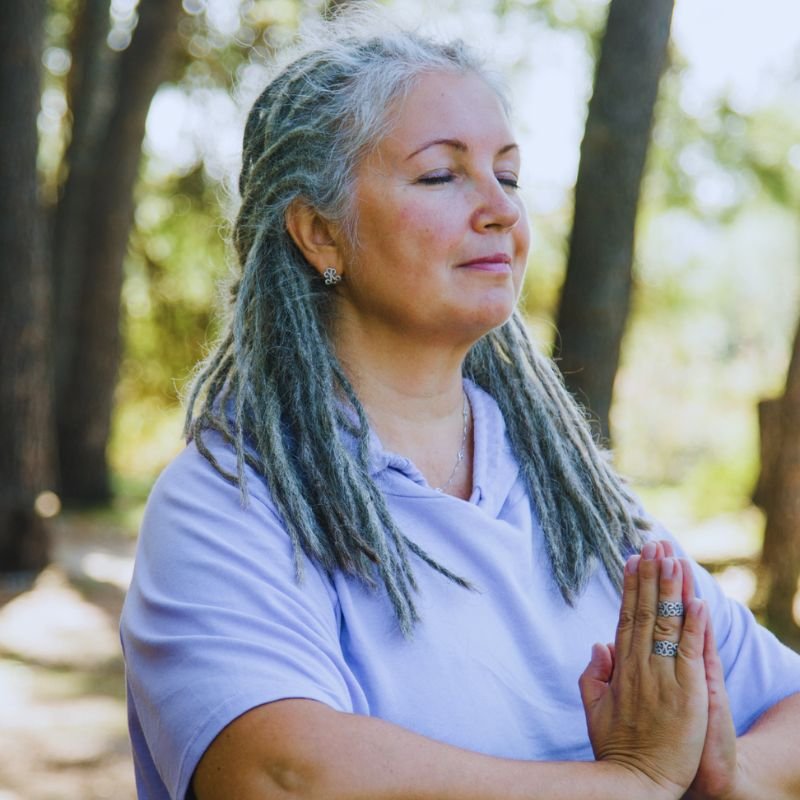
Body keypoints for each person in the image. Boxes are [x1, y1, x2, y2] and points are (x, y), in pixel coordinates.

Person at [120, 10, 800, 800]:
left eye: (507, 176)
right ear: (319, 232)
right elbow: (279, 774)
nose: (502, 210)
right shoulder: (234, 501)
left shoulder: (571, 493)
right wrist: (632, 784)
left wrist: (729, 772)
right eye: (442, 174)